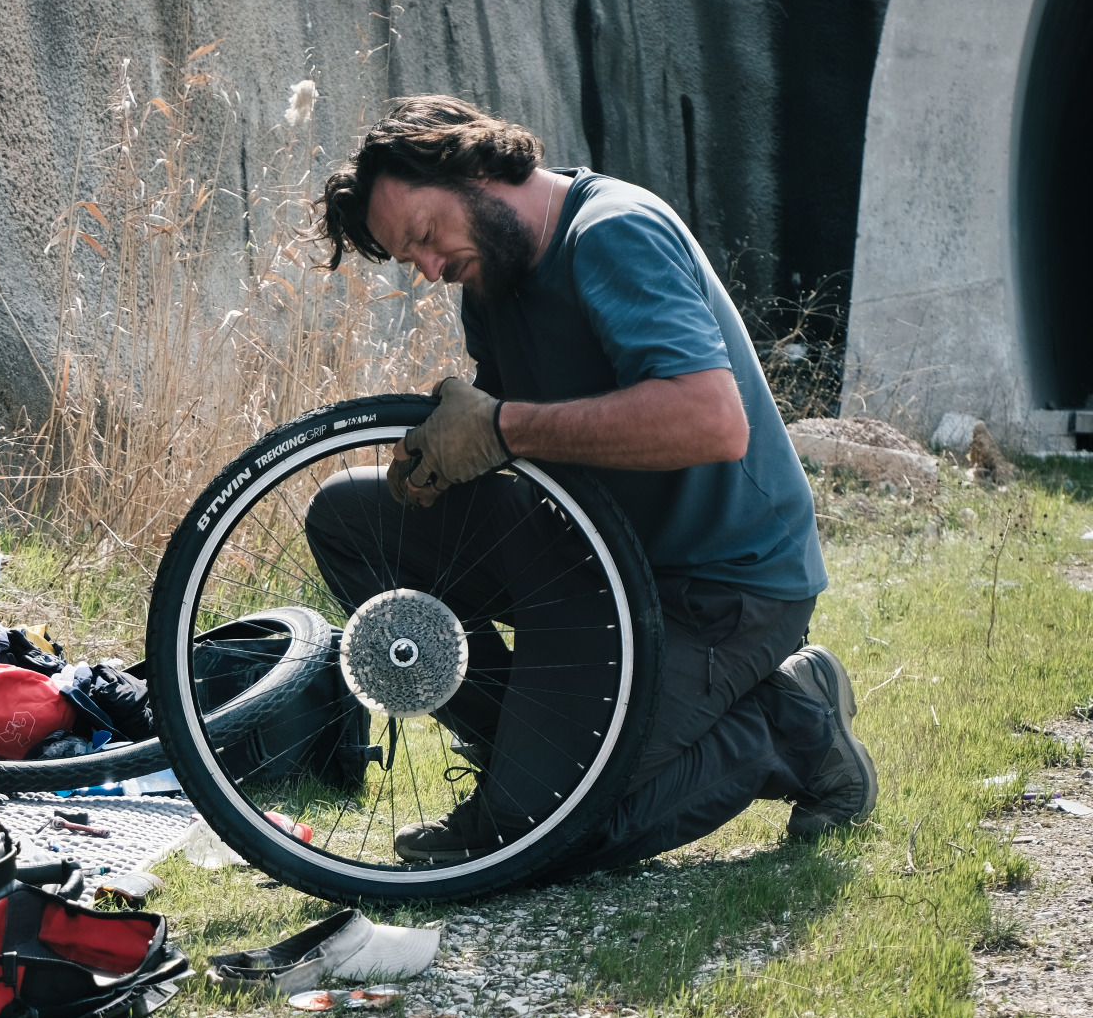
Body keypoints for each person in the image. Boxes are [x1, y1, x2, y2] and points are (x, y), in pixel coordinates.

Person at [303, 95, 876, 870]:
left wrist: (504, 428)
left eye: (427, 237)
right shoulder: (492, 278)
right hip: (586, 558)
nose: (431, 270)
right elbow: (524, 434)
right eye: (413, 261)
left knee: (559, 835)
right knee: (346, 516)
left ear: (472, 167)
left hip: (716, 585)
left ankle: (791, 722)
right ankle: (520, 773)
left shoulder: (612, 233)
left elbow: (712, 421)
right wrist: (449, 465)